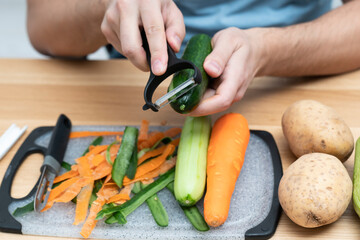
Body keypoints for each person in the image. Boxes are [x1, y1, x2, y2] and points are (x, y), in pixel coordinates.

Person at [26, 0, 360, 116]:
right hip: (125, 83)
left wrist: (268, 50)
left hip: (298, 77)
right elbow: (43, 26)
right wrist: (105, 7)